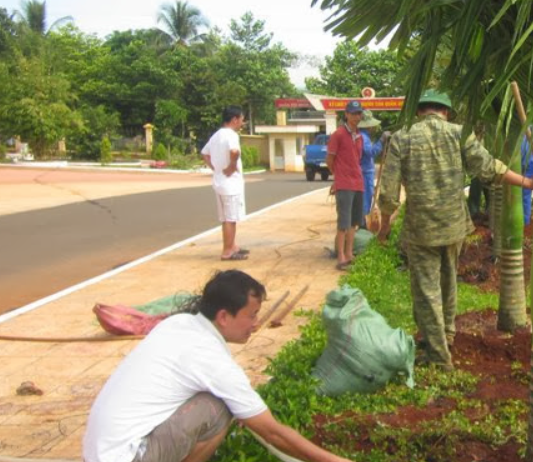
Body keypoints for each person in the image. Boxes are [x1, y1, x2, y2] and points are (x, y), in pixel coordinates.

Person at [83, 270, 353, 462]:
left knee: (212, 399)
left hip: (101, 452)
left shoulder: (178, 324)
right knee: (218, 407)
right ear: (224, 316)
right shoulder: (210, 358)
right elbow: (271, 431)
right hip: (128, 456)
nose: (256, 324)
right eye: (252, 315)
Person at [376, 89, 533, 369]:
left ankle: (438, 355)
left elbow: (388, 194)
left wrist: (384, 228)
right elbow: (489, 168)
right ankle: (446, 334)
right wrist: (527, 182)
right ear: (445, 111)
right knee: (448, 282)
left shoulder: (403, 137)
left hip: (421, 228)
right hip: (453, 226)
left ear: (419, 111)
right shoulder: (459, 134)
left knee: (426, 292)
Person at [201, 106, 248, 261]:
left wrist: (216, 168)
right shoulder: (231, 135)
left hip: (220, 182)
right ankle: (228, 251)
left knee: (226, 217)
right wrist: (231, 166)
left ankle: (232, 245)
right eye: (241, 119)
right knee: (230, 218)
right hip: (230, 184)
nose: (242, 122)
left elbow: (204, 153)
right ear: (234, 119)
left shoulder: (217, 135)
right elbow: (235, 152)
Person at [326, 100, 364, 270]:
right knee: (343, 222)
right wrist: (338, 177)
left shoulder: (360, 136)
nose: (356, 117)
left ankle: (349, 253)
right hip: (345, 184)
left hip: (358, 183)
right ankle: (340, 255)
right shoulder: (338, 134)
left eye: (359, 113)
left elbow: (357, 159)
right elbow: (330, 159)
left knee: (354, 222)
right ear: (346, 114)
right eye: (353, 113)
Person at [356, 109, 389, 228]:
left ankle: (362, 222)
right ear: (369, 126)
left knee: (366, 197)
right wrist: (382, 140)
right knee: (366, 198)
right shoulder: (363, 137)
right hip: (365, 173)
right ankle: (363, 224)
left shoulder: (361, 136)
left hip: (365, 172)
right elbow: (371, 152)